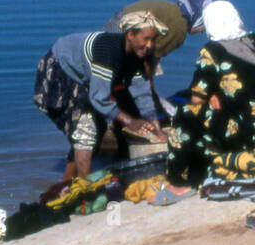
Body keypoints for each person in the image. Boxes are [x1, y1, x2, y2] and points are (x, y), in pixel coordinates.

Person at [155, 0, 255, 199]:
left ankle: (180, 183)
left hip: (253, 135)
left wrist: (212, 98)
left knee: (185, 114)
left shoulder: (212, 52)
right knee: (241, 107)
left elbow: (196, 100)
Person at [33, 11, 167, 184]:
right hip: (62, 69)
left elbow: (142, 92)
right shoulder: (108, 52)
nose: (149, 45)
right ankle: (86, 190)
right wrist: (130, 121)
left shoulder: (137, 56)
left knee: (97, 129)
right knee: (86, 130)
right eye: (146, 39)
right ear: (130, 35)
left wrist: (156, 126)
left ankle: (66, 183)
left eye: (153, 40)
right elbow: (99, 98)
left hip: (85, 77)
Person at [102, 0, 212, 122]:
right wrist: (154, 99)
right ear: (197, 16)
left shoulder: (174, 12)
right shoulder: (179, 29)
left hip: (116, 24)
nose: (203, 30)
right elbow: (147, 63)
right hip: (123, 34)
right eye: (204, 24)